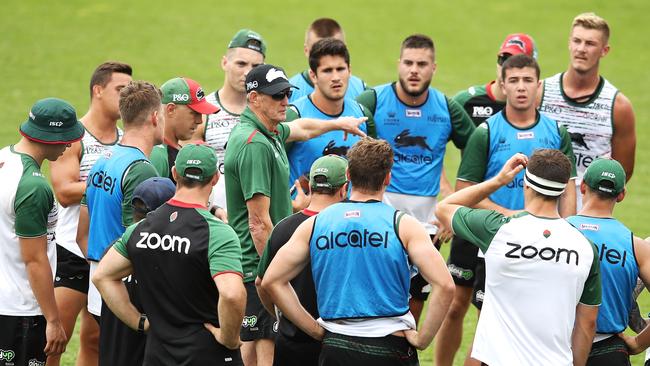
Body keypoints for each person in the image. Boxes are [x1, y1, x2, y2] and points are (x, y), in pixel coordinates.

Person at [261, 138, 454, 366]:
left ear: (349, 177)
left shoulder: (316, 224)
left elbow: (271, 281)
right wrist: (422, 339)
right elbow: (446, 285)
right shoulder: (403, 225)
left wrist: (313, 328)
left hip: (336, 345)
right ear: (388, 178)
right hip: (390, 346)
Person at [225, 63, 366, 366]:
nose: (285, 101)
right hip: (256, 266)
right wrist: (276, 274)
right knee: (265, 350)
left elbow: (302, 128)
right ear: (254, 99)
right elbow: (258, 223)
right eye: (276, 96)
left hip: (261, 265)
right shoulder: (255, 145)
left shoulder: (269, 131)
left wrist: (339, 123)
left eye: (287, 94)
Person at [454, 53, 578, 364]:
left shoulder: (556, 131)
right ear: (502, 86)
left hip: (548, 244)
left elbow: (570, 186)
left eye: (527, 81)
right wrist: (505, 215)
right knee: (488, 328)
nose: (521, 87)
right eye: (514, 81)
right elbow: (464, 191)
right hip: (498, 242)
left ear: (538, 86)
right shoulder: (486, 132)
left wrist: (570, 228)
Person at [436, 149, 601, 366]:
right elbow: (587, 323)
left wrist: (498, 180)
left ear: (526, 184)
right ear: (563, 191)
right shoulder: (585, 248)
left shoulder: (497, 229)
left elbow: (444, 207)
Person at [356, 33, 475, 322]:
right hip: (380, 216)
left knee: (415, 297)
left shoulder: (446, 108)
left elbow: (479, 150)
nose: (414, 70)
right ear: (399, 64)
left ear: (433, 68)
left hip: (427, 224)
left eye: (422, 64)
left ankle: (402, 352)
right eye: (408, 62)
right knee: (373, 290)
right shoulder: (372, 100)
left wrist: (455, 204)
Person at [93, 143, 246, 365]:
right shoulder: (218, 233)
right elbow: (232, 294)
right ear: (214, 178)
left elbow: (102, 276)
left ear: (175, 174)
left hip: (158, 353)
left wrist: (139, 322)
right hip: (208, 353)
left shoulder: (140, 229)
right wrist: (229, 338)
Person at [437, 34, 536, 366]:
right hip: (473, 216)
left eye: (516, 60)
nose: (506, 65)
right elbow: (431, 139)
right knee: (455, 304)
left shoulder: (536, 111)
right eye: (503, 58)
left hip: (510, 224)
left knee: (489, 313)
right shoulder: (470, 101)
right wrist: (449, 193)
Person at [48, 61, 132, 366]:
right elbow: (64, 190)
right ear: (98, 90)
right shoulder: (75, 137)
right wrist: (111, 184)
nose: (126, 98)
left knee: (95, 339)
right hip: (70, 251)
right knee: (54, 340)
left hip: (108, 252)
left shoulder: (127, 139)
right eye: (120, 90)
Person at [77, 80, 163, 364]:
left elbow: (83, 229)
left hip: (99, 277)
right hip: (125, 285)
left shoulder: (102, 160)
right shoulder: (141, 169)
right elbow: (138, 240)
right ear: (154, 117)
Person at [0, 98, 84, 365]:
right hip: (21, 312)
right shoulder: (34, 188)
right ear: (52, 136)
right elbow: (34, 259)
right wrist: (53, 319)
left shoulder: (3, 158)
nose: (70, 144)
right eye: (67, 138)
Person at [256, 155, 349, 366]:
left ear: (311, 187)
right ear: (344, 189)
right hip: (338, 341)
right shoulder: (349, 230)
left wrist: (283, 315)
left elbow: (262, 283)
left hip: (292, 342)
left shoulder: (283, 228)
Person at [539, 12, 636, 209]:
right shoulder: (540, 92)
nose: (581, 49)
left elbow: (621, 171)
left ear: (604, 50)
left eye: (590, 44)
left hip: (588, 215)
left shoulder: (618, 106)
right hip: (541, 208)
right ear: (569, 43)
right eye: (577, 41)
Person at [565, 158, 650, 365]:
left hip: (557, 348)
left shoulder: (559, 232)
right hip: (609, 352)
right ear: (621, 195)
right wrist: (639, 343)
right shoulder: (636, 246)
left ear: (583, 186)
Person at [189, 29, 267, 211]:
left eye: (256, 67)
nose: (248, 72)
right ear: (225, 62)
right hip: (213, 216)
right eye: (241, 64)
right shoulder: (203, 111)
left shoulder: (268, 112)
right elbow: (188, 173)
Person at [286, 37, 373, 189]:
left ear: (350, 71)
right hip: (307, 211)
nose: (335, 78)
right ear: (313, 76)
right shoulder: (294, 115)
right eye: (327, 71)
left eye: (340, 69)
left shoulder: (362, 115)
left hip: (349, 212)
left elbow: (372, 173)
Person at [150, 76, 218, 182]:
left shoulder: (176, 150)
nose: (200, 121)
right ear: (171, 110)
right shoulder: (157, 156)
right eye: (194, 113)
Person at [288, 18, 366, 103]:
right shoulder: (288, 92)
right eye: (317, 51)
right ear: (306, 50)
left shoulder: (362, 91)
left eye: (335, 48)